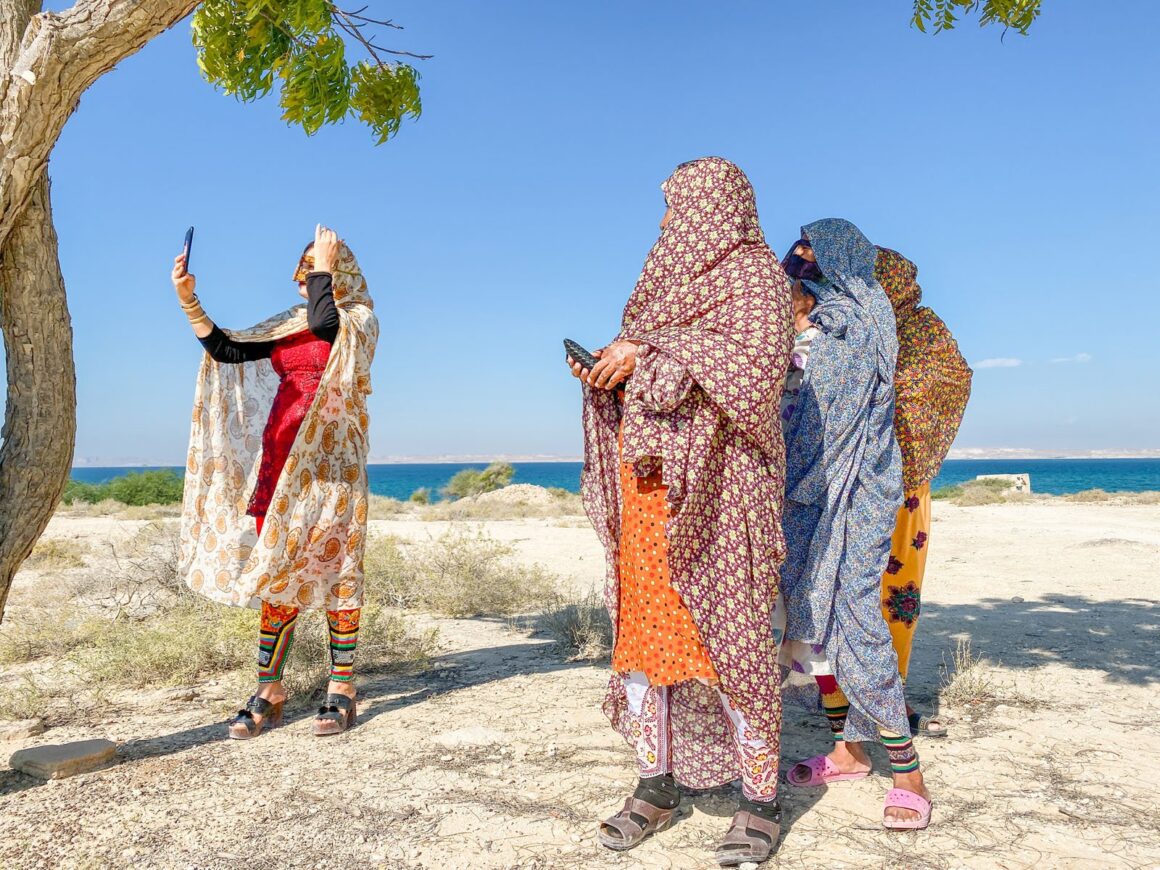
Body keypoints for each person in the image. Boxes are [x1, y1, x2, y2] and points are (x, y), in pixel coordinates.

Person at [568, 157, 793, 866]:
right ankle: (654, 786)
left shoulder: (758, 280)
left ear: (714, 207)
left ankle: (760, 802)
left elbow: (754, 376)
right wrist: (607, 372)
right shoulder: (658, 290)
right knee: (646, 644)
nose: (667, 223)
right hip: (649, 496)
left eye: (677, 208)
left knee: (731, 644)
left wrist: (653, 352)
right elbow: (649, 374)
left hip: (723, 498)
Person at [172, 225, 378, 739]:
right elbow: (228, 351)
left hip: (332, 466)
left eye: (315, 270)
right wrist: (189, 301)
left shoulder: (358, 321)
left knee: (336, 566)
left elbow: (326, 324)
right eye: (304, 271)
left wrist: (323, 268)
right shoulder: (291, 323)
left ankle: (344, 685)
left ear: (339, 271)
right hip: (280, 462)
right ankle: (270, 688)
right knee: (278, 566)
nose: (304, 281)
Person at [778, 219, 932, 830]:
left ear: (839, 253)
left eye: (810, 244)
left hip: (853, 491)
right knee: (811, 619)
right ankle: (848, 751)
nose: (797, 255)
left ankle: (908, 772)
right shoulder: (798, 315)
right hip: (801, 494)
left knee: (858, 622)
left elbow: (834, 421)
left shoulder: (855, 318)